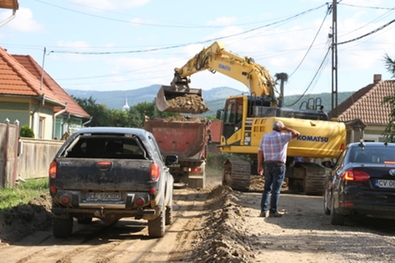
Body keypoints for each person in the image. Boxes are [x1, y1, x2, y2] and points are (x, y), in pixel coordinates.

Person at [257, 120, 300, 218]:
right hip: (279, 165)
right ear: (280, 128)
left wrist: (259, 165)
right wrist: (285, 128)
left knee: (267, 188)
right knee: (276, 189)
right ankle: (273, 211)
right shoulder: (283, 137)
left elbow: (260, 152)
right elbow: (296, 133)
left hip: (267, 164)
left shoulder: (265, 137)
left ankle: (263, 211)